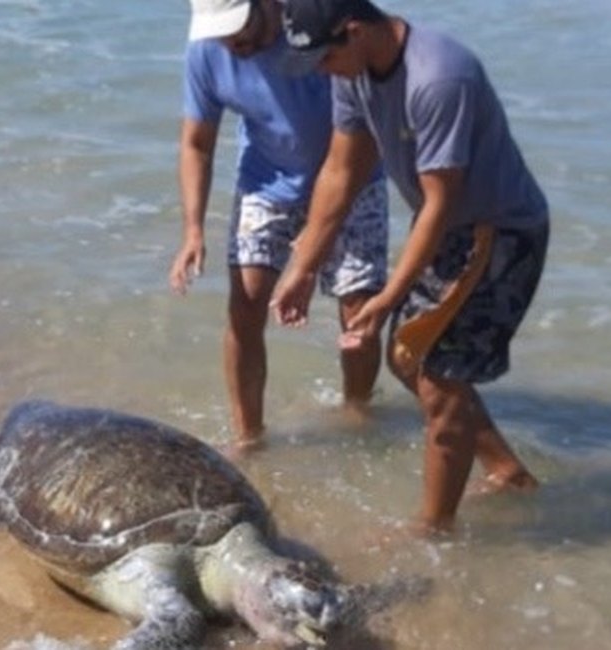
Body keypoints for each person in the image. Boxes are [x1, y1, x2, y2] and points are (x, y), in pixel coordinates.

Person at [272, 0, 549, 534]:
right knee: (407, 358)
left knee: (440, 378)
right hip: (449, 230)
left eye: (324, 59)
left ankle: (433, 531)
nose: (321, 72)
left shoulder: (440, 77)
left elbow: (441, 202)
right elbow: (341, 169)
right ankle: (508, 473)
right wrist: (304, 266)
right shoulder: (352, 71)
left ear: (353, 31)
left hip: (499, 232)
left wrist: (387, 297)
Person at [171, 0, 390, 455]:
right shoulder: (207, 53)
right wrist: (193, 229)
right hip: (267, 180)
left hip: (352, 174)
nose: (236, 44)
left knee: (358, 310)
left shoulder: (315, 28)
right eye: (224, 34)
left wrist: (310, 249)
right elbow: (196, 143)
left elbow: (360, 139)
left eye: (242, 28)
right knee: (245, 305)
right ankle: (249, 438)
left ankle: (357, 414)